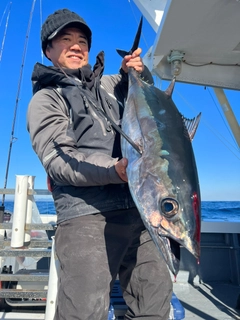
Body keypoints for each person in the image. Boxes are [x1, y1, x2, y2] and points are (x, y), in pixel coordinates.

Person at [27, 8, 172, 320]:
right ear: (48, 51)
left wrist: (139, 72)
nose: (76, 46)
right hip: (86, 216)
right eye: (65, 40)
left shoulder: (108, 85)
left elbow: (141, 98)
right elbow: (59, 159)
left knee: (155, 306)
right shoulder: (46, 99)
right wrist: (115, 169)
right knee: (84, 313)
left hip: (140, 209)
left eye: (82, 40)